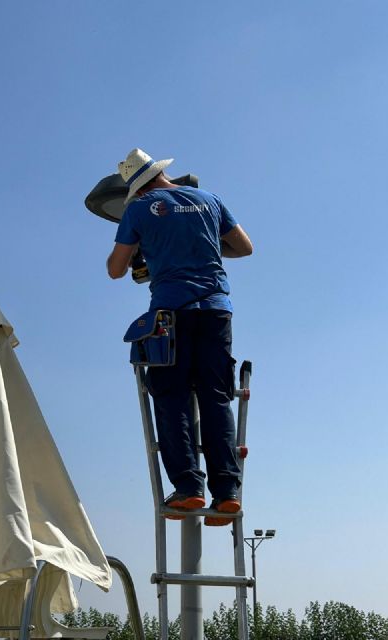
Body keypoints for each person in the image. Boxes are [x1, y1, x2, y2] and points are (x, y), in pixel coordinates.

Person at [107, 148, 253, 525]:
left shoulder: (139, 209)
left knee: (171, 396)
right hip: (217, 311)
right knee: (216, 397)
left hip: (171, 313)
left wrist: (148, 249)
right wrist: (201, 247)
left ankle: (189, 489)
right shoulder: (209, 200)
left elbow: (115, 269)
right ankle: (227, 494)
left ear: (138, 187)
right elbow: (244, 247)